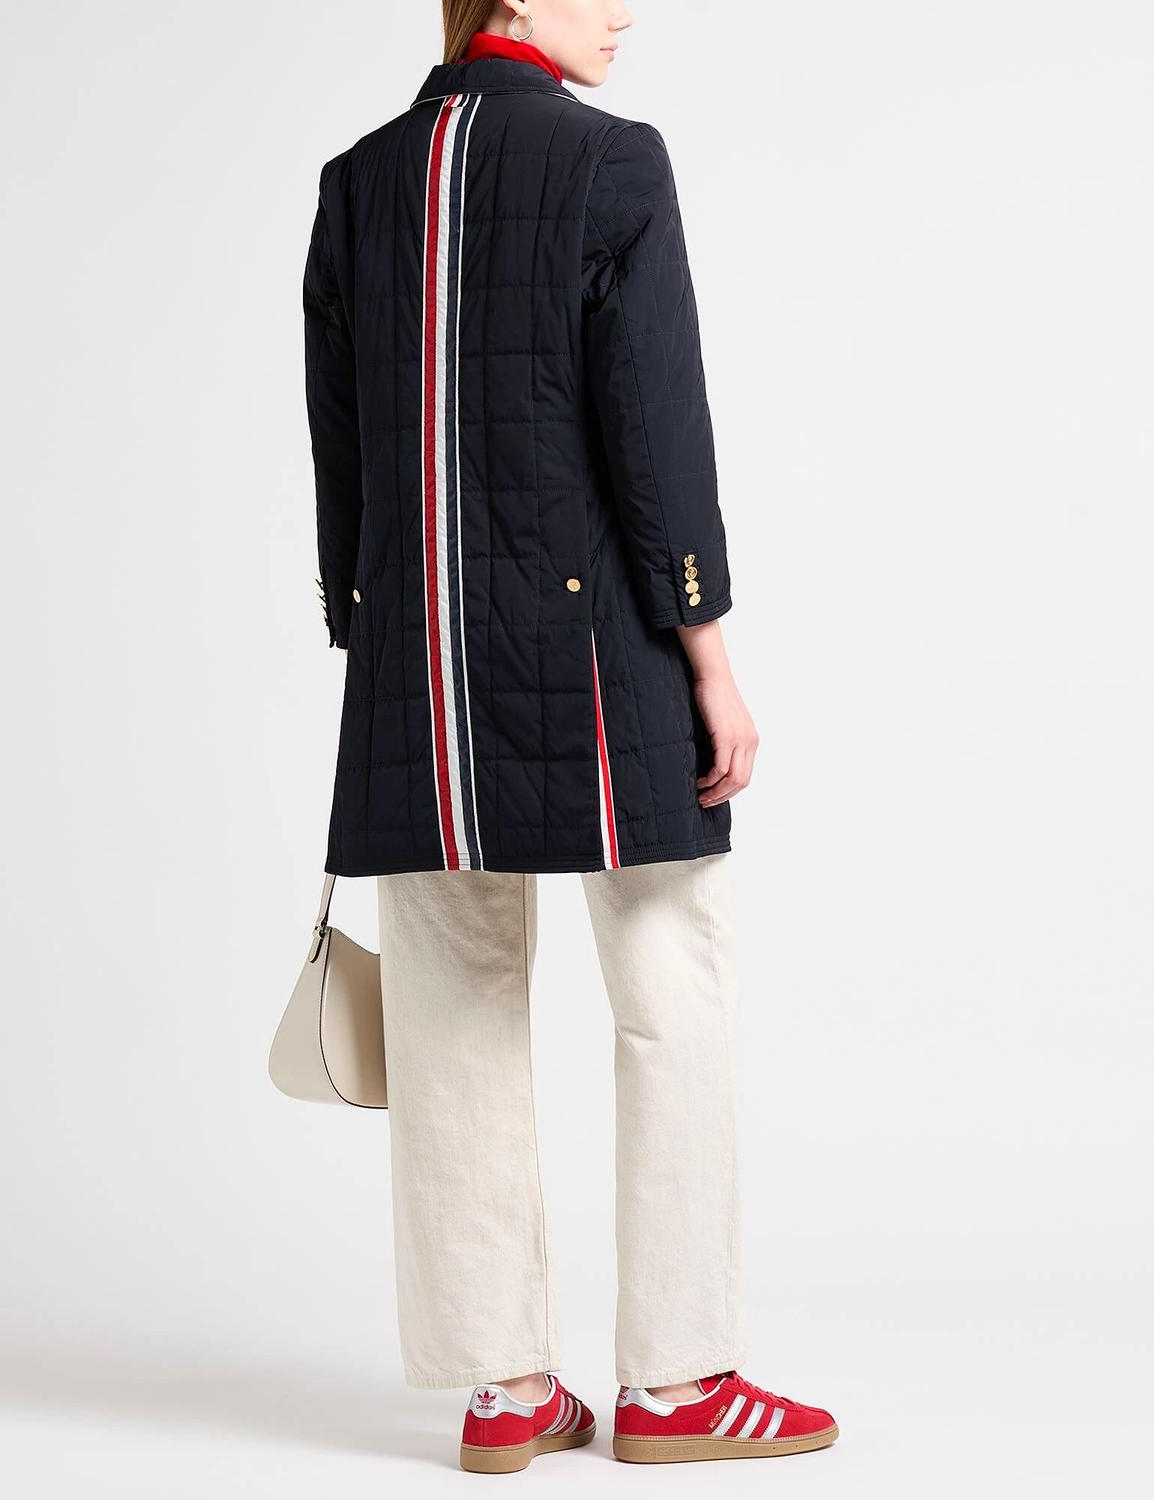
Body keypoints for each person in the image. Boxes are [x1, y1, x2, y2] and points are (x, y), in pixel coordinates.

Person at [302, 0, 838, 1473]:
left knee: (453, 1004)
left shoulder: (357, 182)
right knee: (672, 988)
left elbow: (342, 448)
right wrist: (708, 651)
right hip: (599, 650)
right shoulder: (613, 162)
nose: (623, 11)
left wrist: (376, 637)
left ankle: (502, 1389)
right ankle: (677, 1383)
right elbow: (656, 434)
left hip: (416, 670)